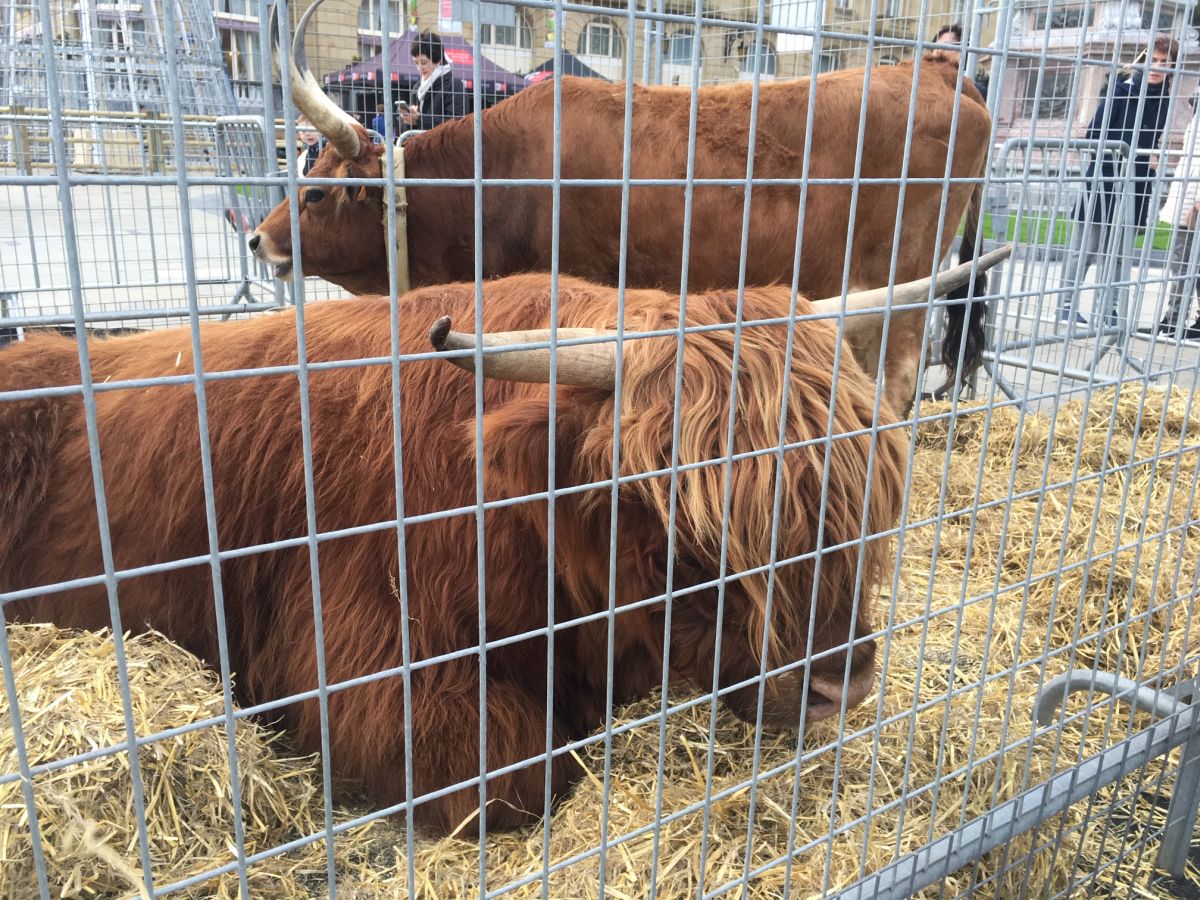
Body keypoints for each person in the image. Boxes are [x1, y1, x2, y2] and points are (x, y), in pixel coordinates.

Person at [1061, 36, 1179, 324]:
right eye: (1153, 60)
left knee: (1119, 252)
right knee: (1086, 247)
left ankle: (1108, 310)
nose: (1157, 67)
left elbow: (1151, 140)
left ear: (1172, 67)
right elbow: (1093, 135)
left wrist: (1151, 156)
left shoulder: (1164, 100)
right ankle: (1065, 305)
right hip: (1105, 178)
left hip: (1137, 184)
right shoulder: (1121, 90)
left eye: (1164, 62)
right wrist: (1122, 154)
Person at [1154, 98, 1200, 338]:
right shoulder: (1196, 117)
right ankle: (1174, 319)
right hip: (1187, 193)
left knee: (1183, 262)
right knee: (1185, 261)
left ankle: (1174, 320)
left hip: (1194, 199)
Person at [399, 31, 465, 132]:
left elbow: (457, 125)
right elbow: (408, 132)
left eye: (423, 62)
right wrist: (407, 119)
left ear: (438, 60)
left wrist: (419, 119)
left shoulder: (454, 86)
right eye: (416, 63)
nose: (419, 68)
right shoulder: (417, 87)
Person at [932, 23, 989, 101]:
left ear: (963, 52)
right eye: (936, 46)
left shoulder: (978, 92)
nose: (939, 51)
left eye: (947, 46)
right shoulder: (923, 84)